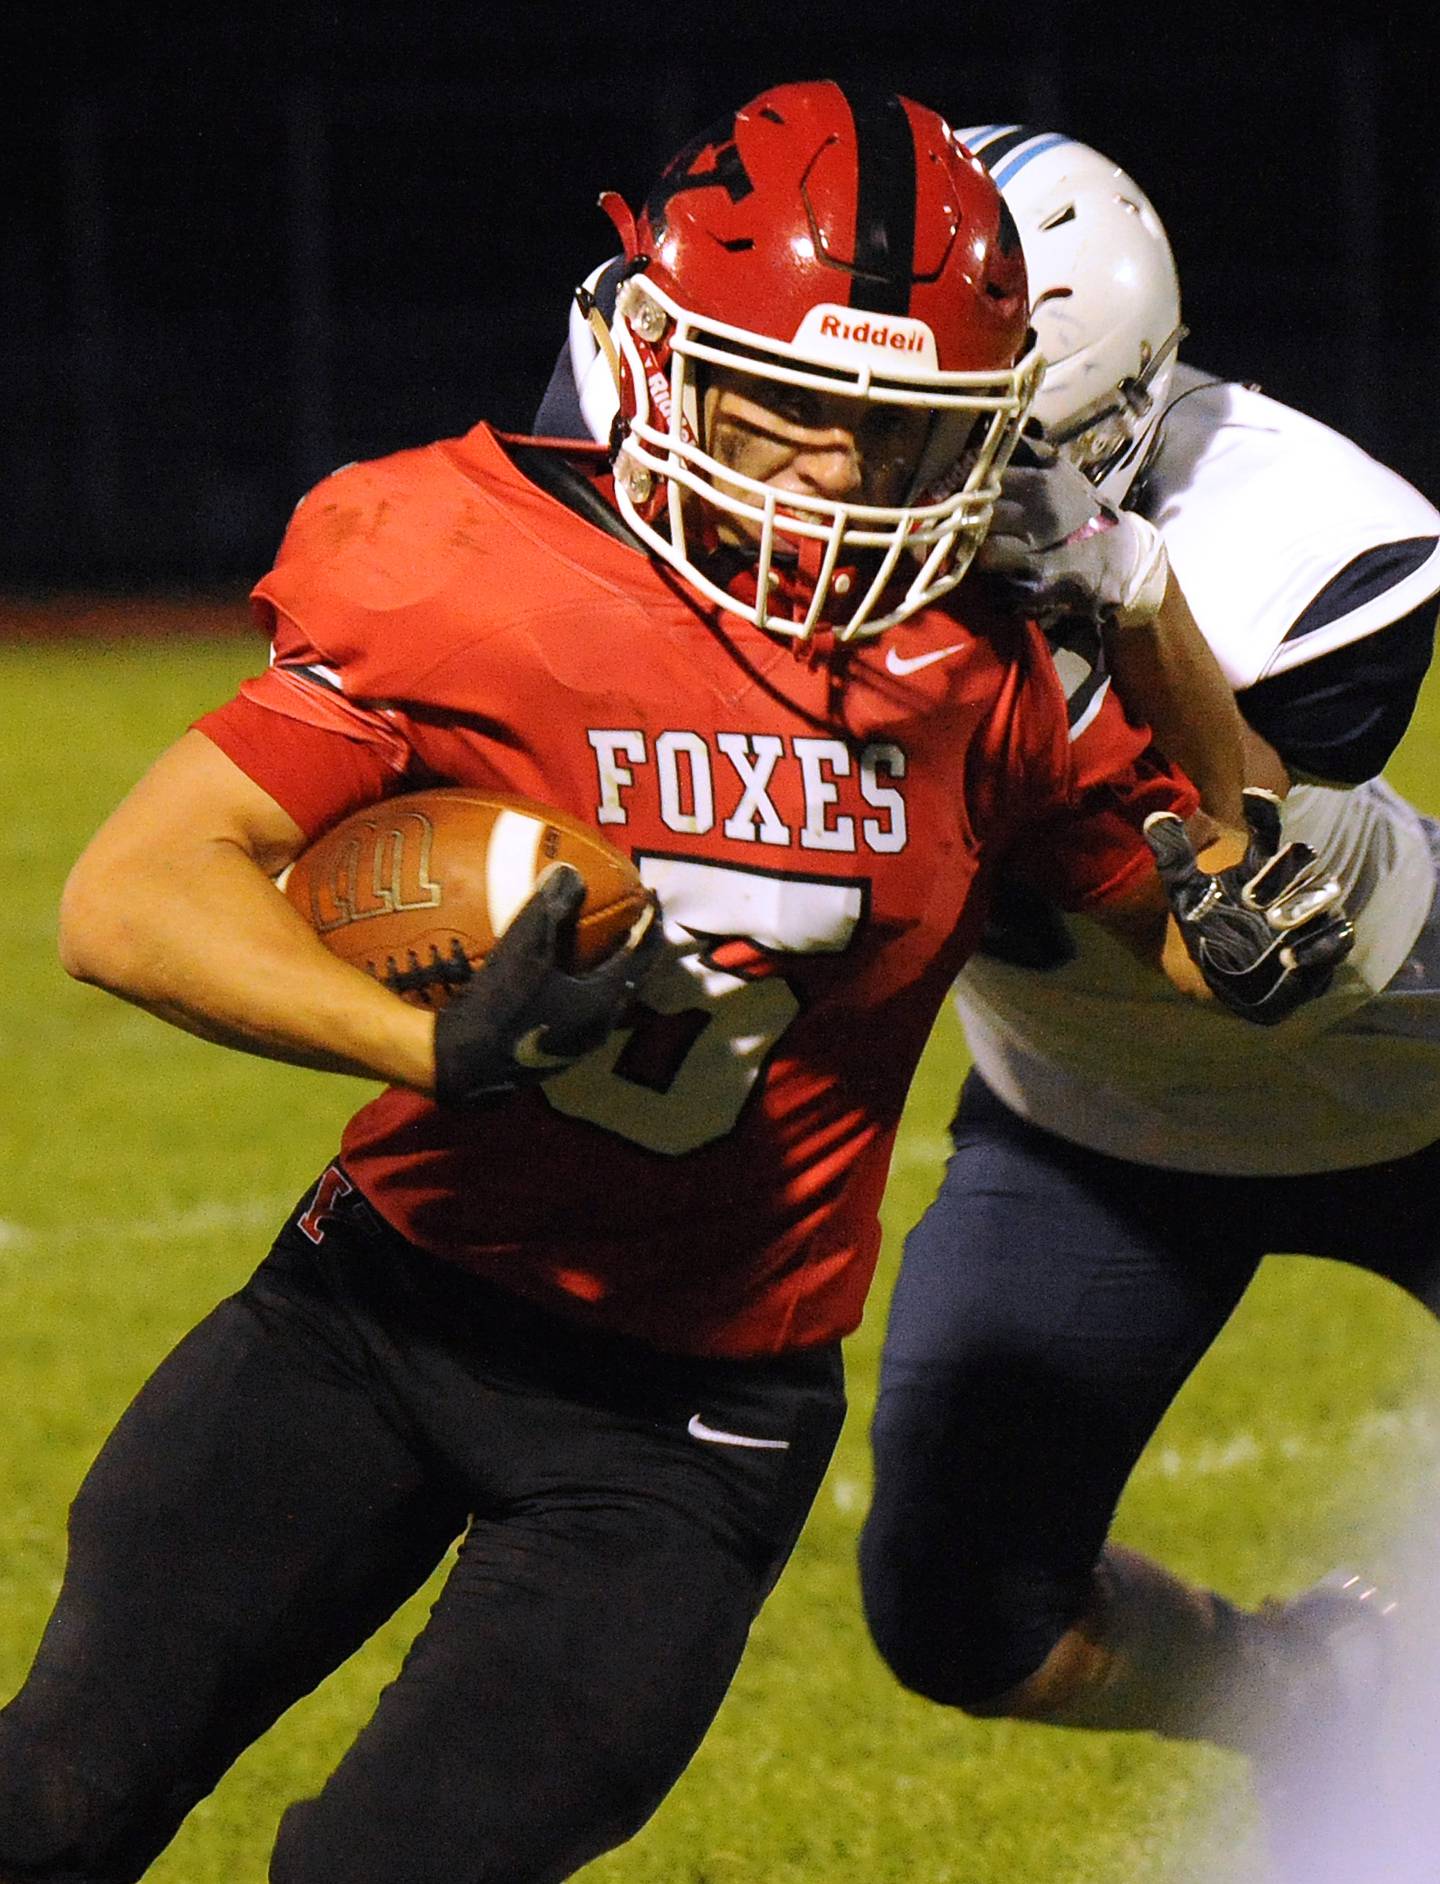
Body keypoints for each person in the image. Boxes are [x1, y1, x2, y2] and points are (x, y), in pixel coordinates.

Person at [3, 84, 1344, 1884]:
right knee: (52, 1801)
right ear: (658, 354)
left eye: (891, 425)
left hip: (688, 1428)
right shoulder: (469, 562)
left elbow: (1227, 922)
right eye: (786, 401)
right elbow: (132, 893)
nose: (834, 472)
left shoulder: (989, 671)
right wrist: (430, 1043)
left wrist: (1135, 594)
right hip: (373, 1311)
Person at [854, 127, 1440, 1884]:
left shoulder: (1305, 529)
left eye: (928, 438)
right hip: (1091, 1128)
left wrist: (1125, 593)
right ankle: (1309, 1694)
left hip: (1412, 1085)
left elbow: (1267, 895)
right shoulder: (805, 510)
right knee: (963, 1615)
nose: (859, 472)